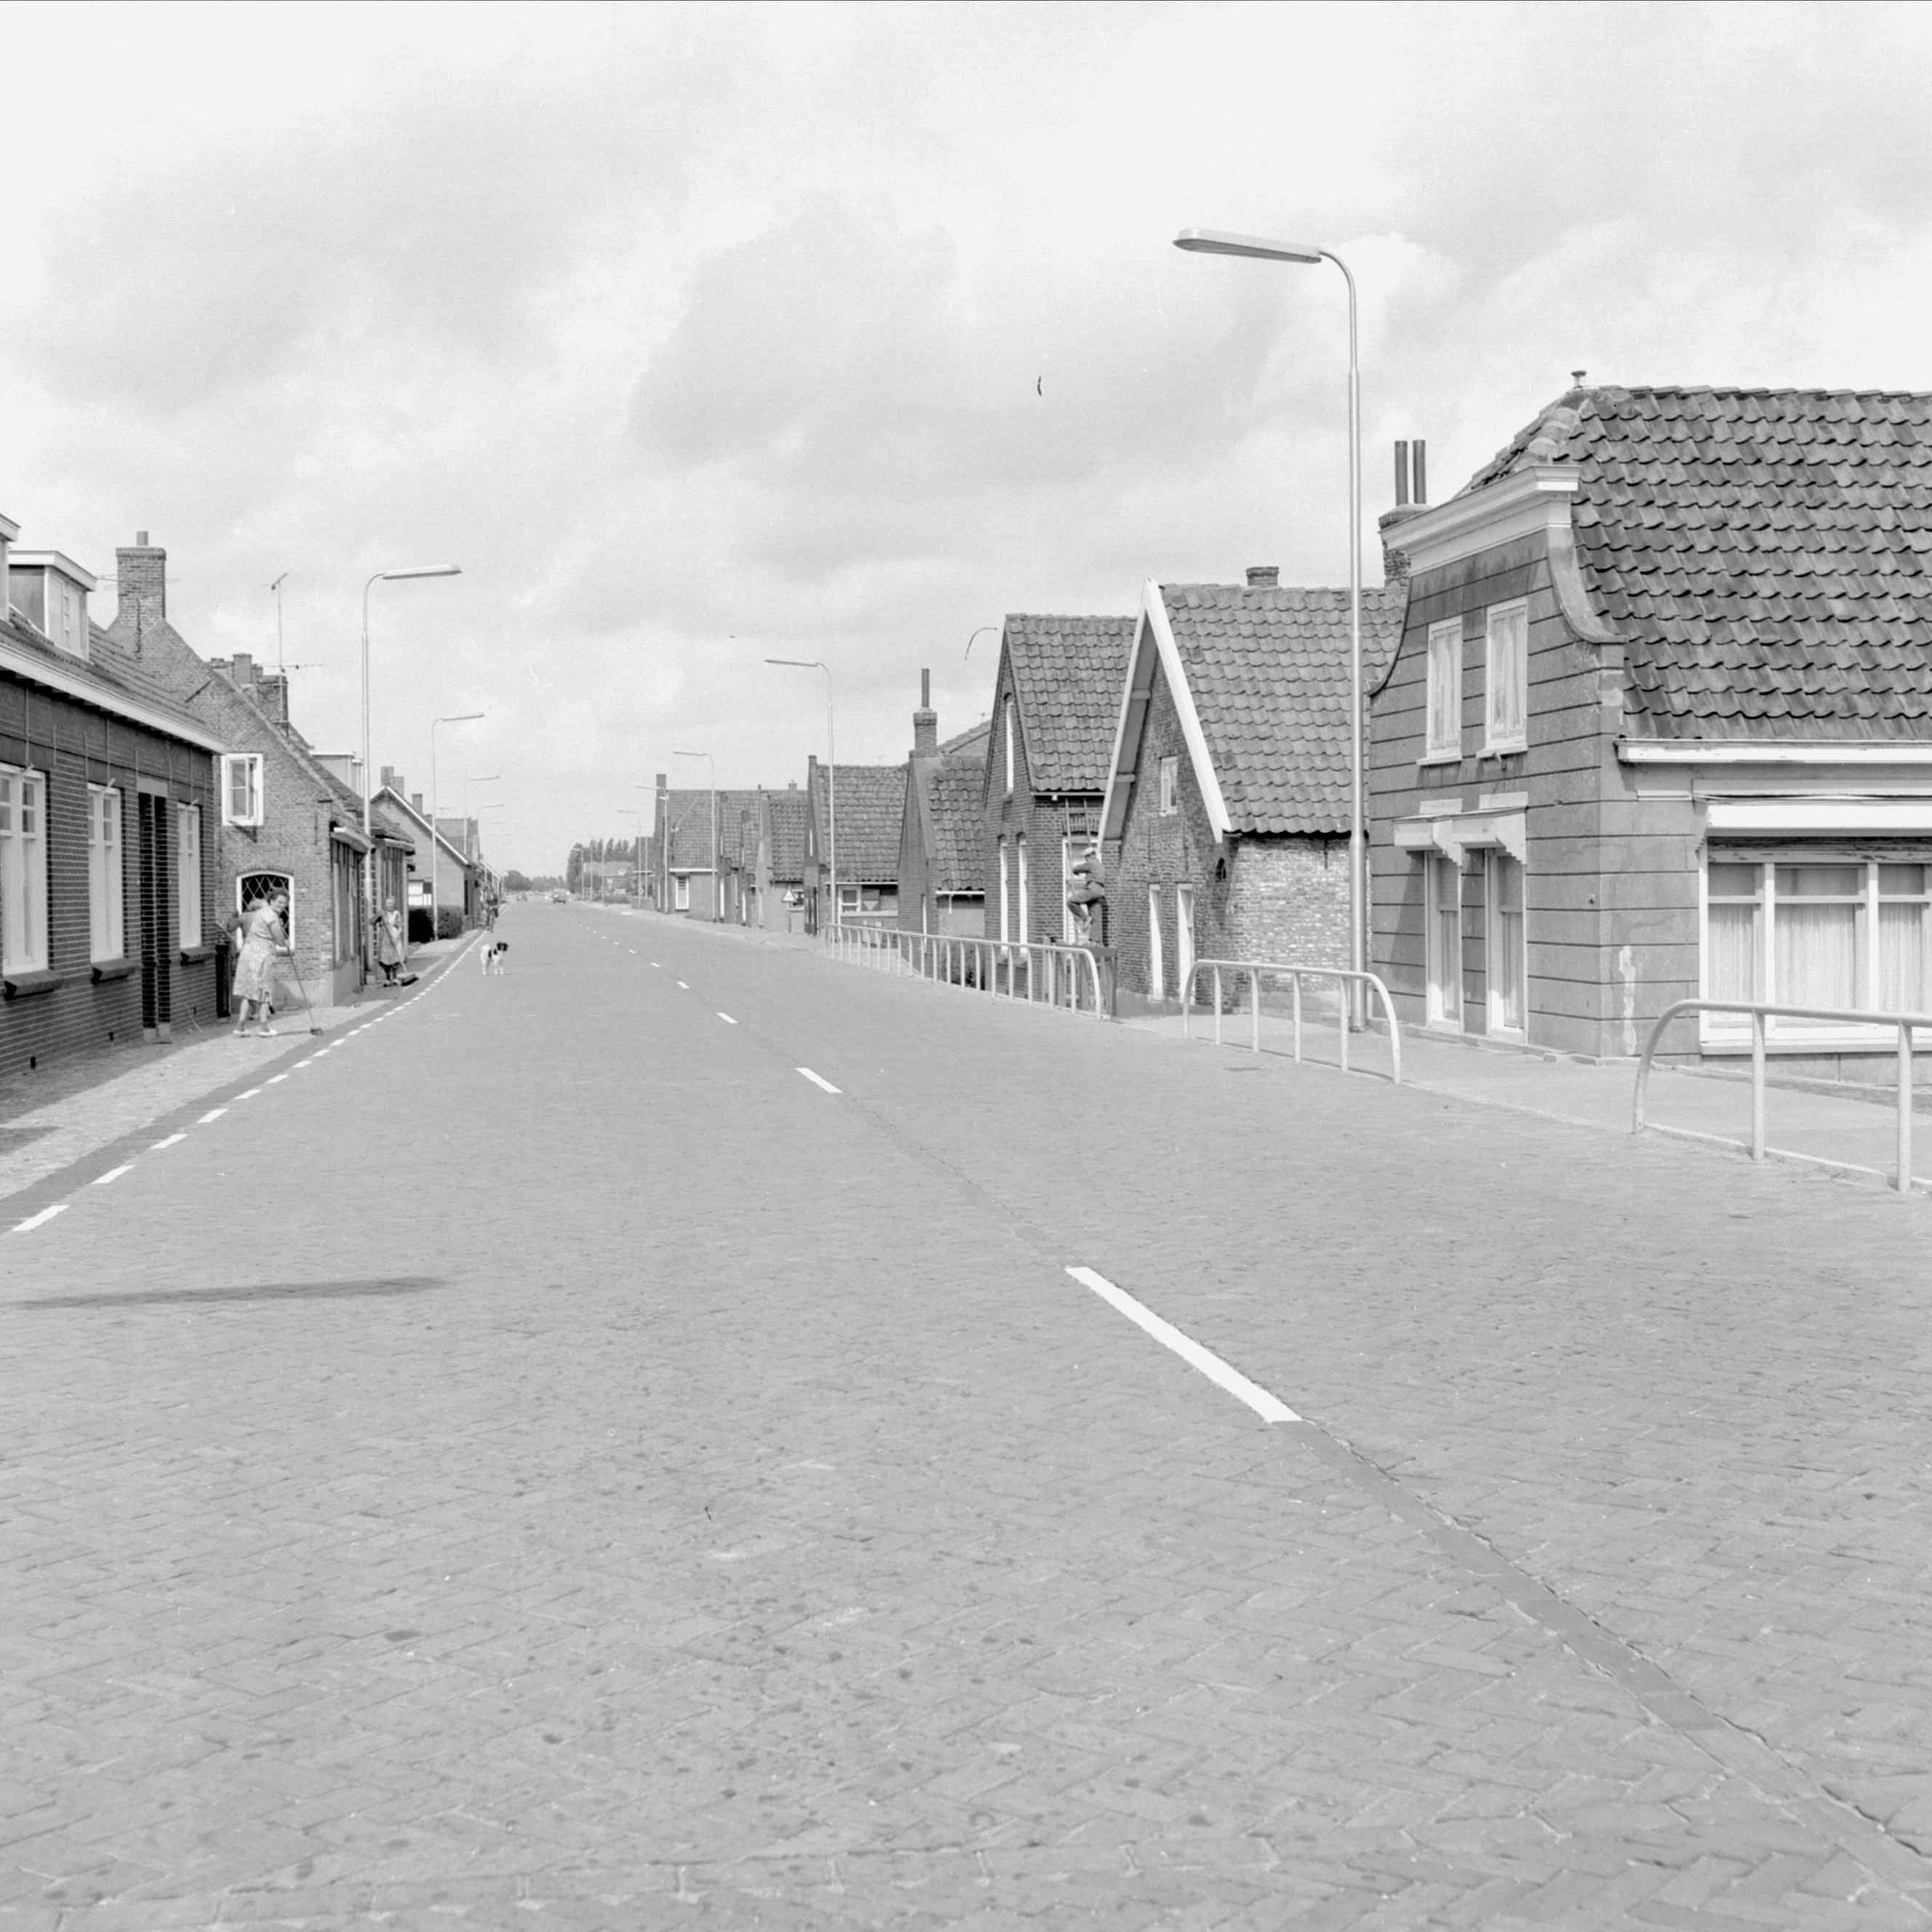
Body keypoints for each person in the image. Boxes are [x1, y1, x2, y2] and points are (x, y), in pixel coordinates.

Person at [231, 890, 291, 1037]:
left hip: (247, 953)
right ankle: (264, 1028)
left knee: (248, 991)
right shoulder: (271, 916)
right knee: (264, 990)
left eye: (284, 903)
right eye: (279, 902)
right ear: (272, 901)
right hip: (262, 955)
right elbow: (279, 940)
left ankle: (240, 1027)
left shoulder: (260, 913)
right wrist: (286, 943)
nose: (282, 905)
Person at [372, 898, 404, 985]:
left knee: (395, 957)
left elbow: (401, 927)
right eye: (388, 903)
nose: (390, 905)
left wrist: (396, 937)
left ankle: (395, 977)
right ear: (385, 905)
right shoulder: (382, 914)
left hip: (394, 937)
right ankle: (388, 978)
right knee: (385, 958)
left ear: (394, 905)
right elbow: (371, 922)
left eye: (391, 904)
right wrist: (377, 916)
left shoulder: (396, 914)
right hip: (384, 938)